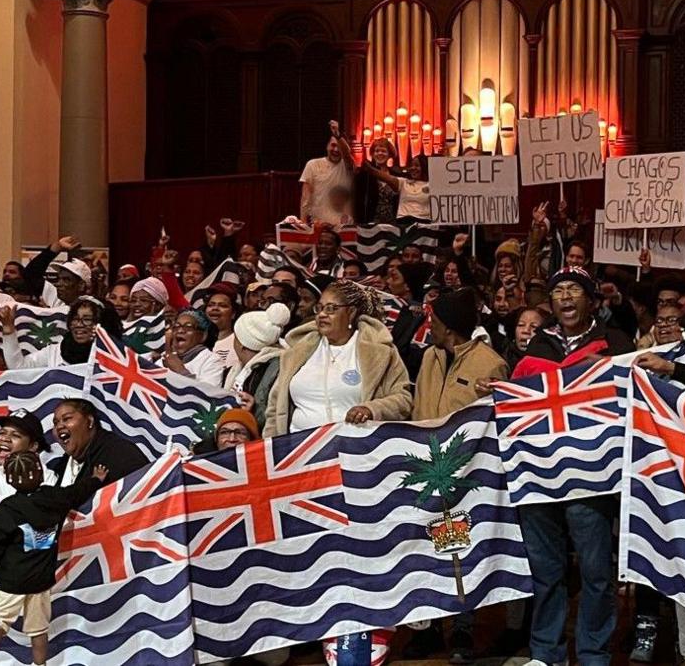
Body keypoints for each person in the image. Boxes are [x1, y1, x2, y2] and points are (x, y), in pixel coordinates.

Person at [506, 267, 636, 666]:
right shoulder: (535, 348)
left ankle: (594, 652)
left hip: (592, 476)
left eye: (574, 290)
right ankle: (546, 652)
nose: (565, 296)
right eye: (558, 290)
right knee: (546, 569)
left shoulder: (614, 344)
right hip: (538, 474)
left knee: (596, 571)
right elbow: (514, 400)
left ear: (591, 300)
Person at [0, 451, 108, 666]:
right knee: (39, 628)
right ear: (40, 473)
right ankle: (40, 664)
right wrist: (96, 480)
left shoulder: (8, 509)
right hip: (40, 582)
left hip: (10, 581)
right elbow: (77, 492)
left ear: (8, 479)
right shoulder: (56, 498)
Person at [263, 279, 411, 436]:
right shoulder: (297, 350)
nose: (322, 315)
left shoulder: (379, 351)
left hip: (357, 449)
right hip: (301, 450)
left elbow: (403, 400)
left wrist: (371, 409)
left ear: (351, 312)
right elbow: (275, 406)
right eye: (319, 308)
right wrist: (271, 446)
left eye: (331, 309)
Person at [412, 288, 508, 421]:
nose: (429, 327)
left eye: (434, 322)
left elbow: (495, 419)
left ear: (448, 329)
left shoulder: (491, 365)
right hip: (421, 439)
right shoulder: (430, 355)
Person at [0, 297, 123, 368]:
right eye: (75, 319)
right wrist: (8, 328)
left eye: (87, 319)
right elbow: (18, 367)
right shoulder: (55, 351)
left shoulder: (116, 354)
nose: (79, 325)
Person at [49, 399, 148, 487]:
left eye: (67, 419)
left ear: (90, 421)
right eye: (55, 423)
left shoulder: (120, 453)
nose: (59, 426)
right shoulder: (61, 467)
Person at [226, 304, 292, 431]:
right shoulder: (237, 371)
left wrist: (253, 410)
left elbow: (278, 415)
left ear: (241, 345)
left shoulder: (278, 369)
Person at [299, 121, 353, 226]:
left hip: (343, 226)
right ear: (327, 146)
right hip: (318, 224)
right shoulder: (312, 165)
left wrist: (338, 135)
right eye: (333, 145)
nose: (336, 150)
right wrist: (303, 223)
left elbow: (347, 154)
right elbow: (305, 198)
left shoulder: (347, 166)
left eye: (339, 147)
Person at [161, 308, 227, 387]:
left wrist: (181, 371)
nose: (180, 330)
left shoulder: (212, 361)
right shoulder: (165, 359)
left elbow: (208, 395)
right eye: (176, 326)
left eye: (188, 327)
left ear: (203, 336)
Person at [192, 408, 261, 455]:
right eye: (224, 432)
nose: (232, 439)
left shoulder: (267, 466)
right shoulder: (198, 466)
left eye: (239, 433)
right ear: (216, 440)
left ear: (252, 439)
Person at [203, 284, 241, 370]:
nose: (215, 308)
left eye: (223, 305)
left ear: (233, 313)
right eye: (211, 305)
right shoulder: (196, 340)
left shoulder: (238, 342)